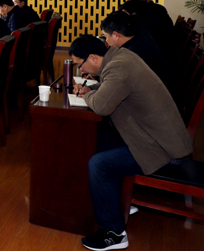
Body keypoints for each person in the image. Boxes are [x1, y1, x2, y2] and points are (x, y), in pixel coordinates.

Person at [69, 35, 192, 251]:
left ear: (93, 58)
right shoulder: (121, 56)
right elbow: (112, 90)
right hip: (153, 136)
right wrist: (93, 91)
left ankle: (113, 232)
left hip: (163, 150)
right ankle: (112, 202)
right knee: (91, 141)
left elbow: (102, 106)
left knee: (100, 164)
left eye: (80, 65)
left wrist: (85, 94)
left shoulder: (118, 68)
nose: (81, 70)